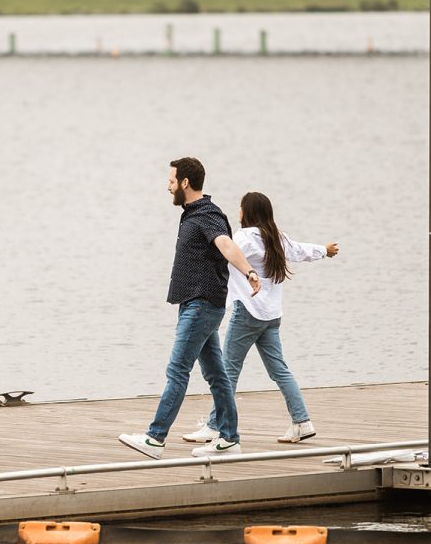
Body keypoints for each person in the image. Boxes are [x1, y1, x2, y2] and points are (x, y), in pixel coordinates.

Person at [119, 157, 261, 460]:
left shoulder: (207, 215)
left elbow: (226, 245)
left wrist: (249, 271)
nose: (167, 186)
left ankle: (155, 439)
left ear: (185, 183)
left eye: (171, 181)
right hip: (197, 305)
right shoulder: (193, 214)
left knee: (177, 370)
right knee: (217, 376)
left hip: (201, 305)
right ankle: (230, 438)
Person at [185, 190, 338, 451]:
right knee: (279, 369)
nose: (238, 212)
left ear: (247, 212)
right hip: (271, 316)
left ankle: (214, 426)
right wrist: (324, 250)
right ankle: (302, 422)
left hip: (248, 312)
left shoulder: (244, 238)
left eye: (240, 208)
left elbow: (224, 252)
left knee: (227, 370)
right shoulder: (276, 238)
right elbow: (301, 250)